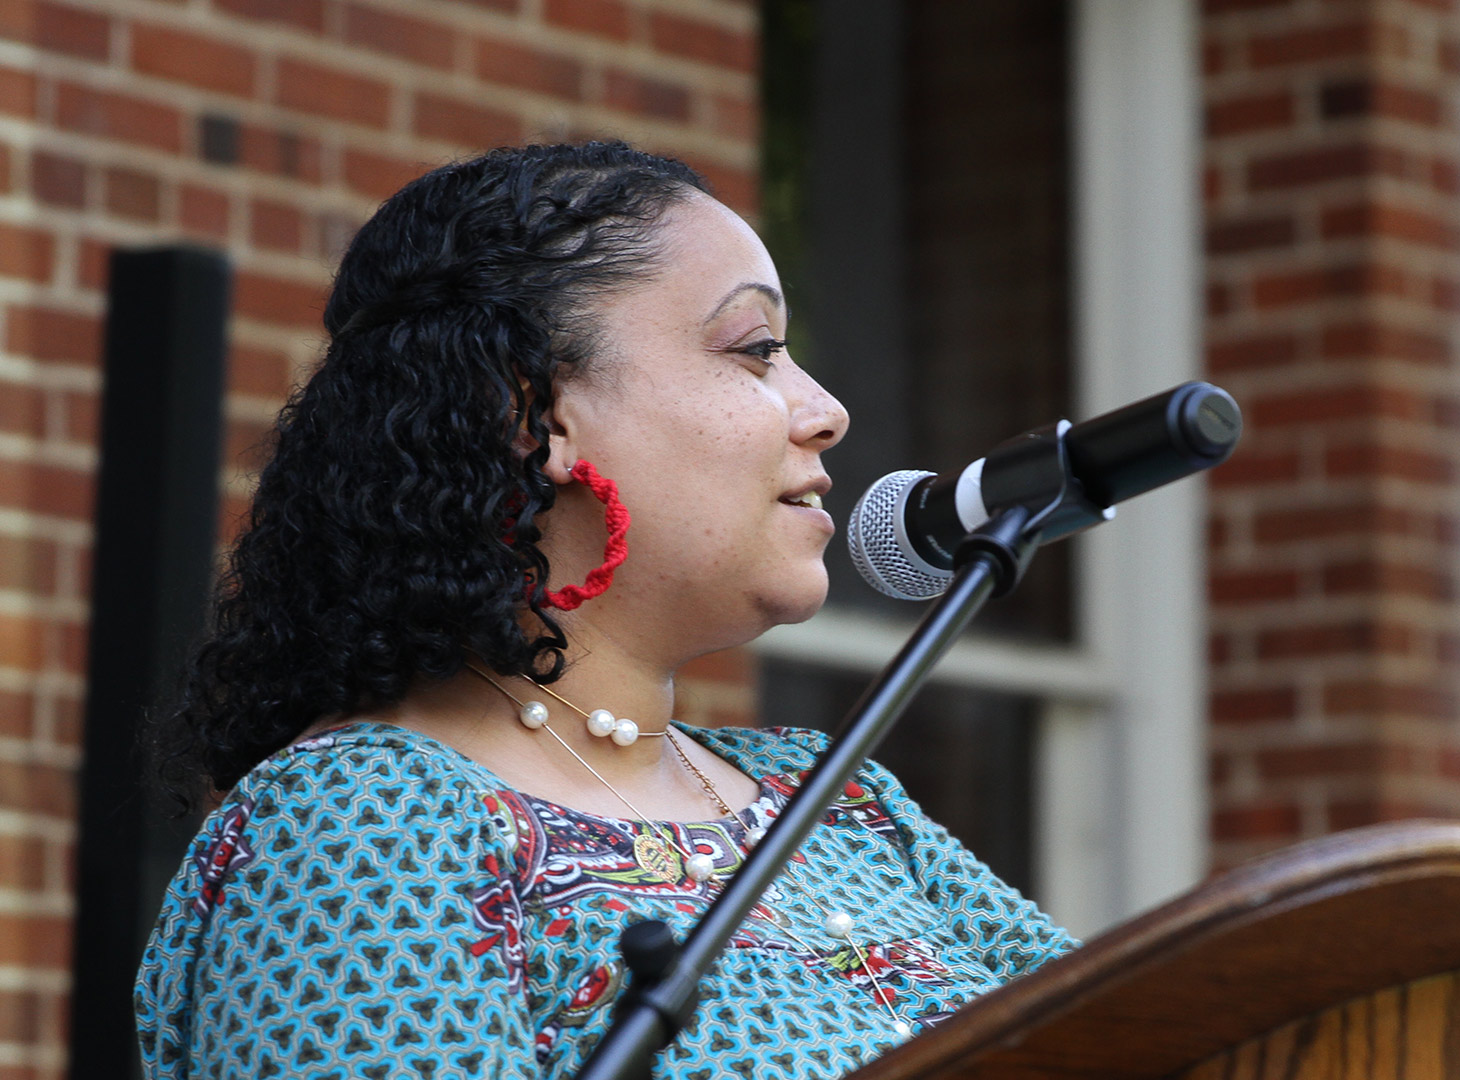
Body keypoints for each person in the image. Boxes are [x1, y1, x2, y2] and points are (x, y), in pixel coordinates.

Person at [135, 141, 1076, 1079]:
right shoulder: (366, 823)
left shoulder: (838, 802)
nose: (823, 408)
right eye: (755, 351)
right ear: (533, 415)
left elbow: (1157, 1023)